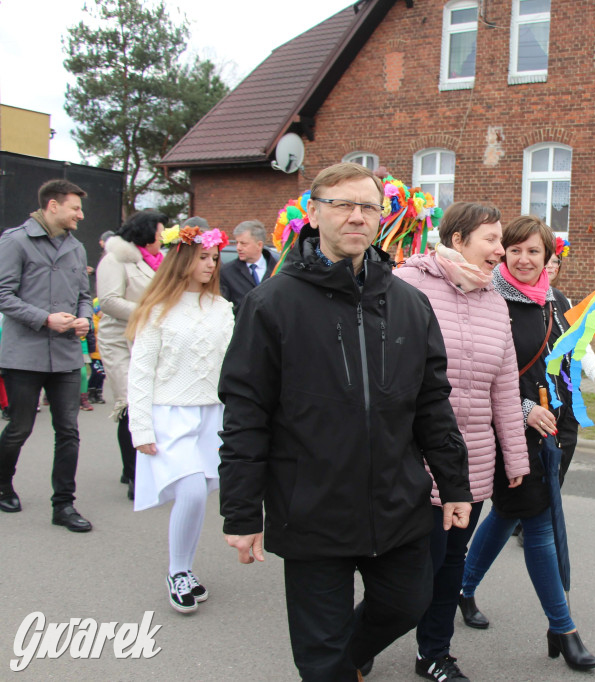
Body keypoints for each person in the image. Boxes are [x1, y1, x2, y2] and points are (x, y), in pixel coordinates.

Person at [217, 162, 473, 682]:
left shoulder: (409, 304)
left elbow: (432, 403)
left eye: (368, 207)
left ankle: (346, 660)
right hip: (311, 507)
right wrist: (242, 512)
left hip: (396, 502)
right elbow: (246, 412)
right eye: (343, 205)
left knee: (408, 603)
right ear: (314, 213)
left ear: (382, 217)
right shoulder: (272, 304)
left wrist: (454, 484)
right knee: (320, 654)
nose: (357, 216)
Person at [393, 201, 531, 681]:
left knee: (451, 563)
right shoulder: (409, 285)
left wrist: (514, 455)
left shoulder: (495, 302)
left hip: (471, 462)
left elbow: (505, 388)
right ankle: (362, 637)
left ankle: (434, 652)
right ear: (457, 240)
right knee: (412, 570)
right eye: (491, 240)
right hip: (414, 459)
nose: (501, 250)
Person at [461, 215, 595, 672]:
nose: (523, 259)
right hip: (510, 433)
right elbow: (478, 374)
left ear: (547, 257)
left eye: (533, 251)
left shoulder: (557, 303)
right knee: (539, 525)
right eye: (515, 249)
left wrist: (574, 403)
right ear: (503, 252)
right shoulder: (487, 301)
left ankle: (462, 588)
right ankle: (563, 629)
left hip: (556, 434)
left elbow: (567, 364)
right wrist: (523, 409)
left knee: (508, 513)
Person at [125, 223, 233, 614]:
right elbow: (140, 373)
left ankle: (183, 567)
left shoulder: (223, 309)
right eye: (203, 256)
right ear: (183, 258)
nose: (211, 263)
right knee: (188, 491)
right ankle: (178, 571)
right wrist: (140, 427)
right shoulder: (157, 311)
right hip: (170, 413)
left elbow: (232, 365)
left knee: (201, 493)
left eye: (214, 257)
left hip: (213, 415)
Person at [0, 179, 94, 531]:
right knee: (20, 427)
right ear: (52, 206)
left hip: (67, 354)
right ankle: (2, 482)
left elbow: (85, 294)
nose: (80, 215)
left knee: (68, 430)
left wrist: (84, 317)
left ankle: (64, 506)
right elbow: (3, 295)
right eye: (75, 208)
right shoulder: (15, 241)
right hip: (25, 354)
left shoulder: (77, 248)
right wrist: (44, 319)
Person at [96, 210, 167, 500]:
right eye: (159, 233)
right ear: (145, 234)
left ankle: (143, 468)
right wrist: (149, 313)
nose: (162, 238)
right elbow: (109, 302)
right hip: (120, 340)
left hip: (148, 339)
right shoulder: (116, 259)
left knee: (149, 405)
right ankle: (134, 475)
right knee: (131, 405)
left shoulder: (156, 261)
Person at [545, 241, 595, 397]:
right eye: (546, 260)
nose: (550, 266)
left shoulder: (563, 302)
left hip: (563, 384)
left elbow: (578, 341)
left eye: (555, 261)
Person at [220, 220, 278, 313]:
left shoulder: (278, 270)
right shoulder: (227, 272)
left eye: (243, 243)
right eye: (237, 243)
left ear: (259, 245)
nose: (238, 248)